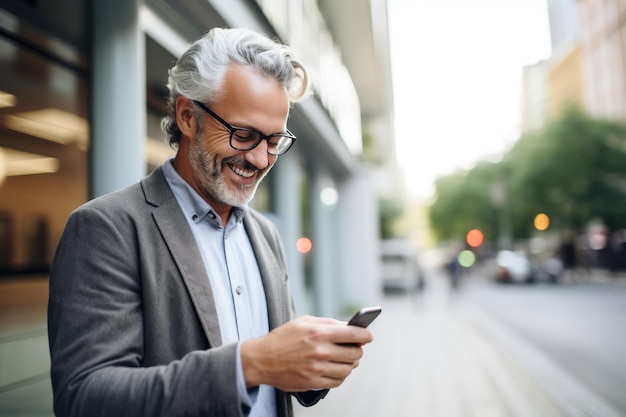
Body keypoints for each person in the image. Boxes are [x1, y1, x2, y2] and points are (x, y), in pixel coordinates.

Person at [47, 27, 374, 417]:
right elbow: (85, 398)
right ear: (188, 116)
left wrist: (312, 365)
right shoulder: (106, 229)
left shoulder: (265, 235)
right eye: (244, 134)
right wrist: (250, 364)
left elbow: (277, 373)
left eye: (273, 141)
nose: (259, 159)